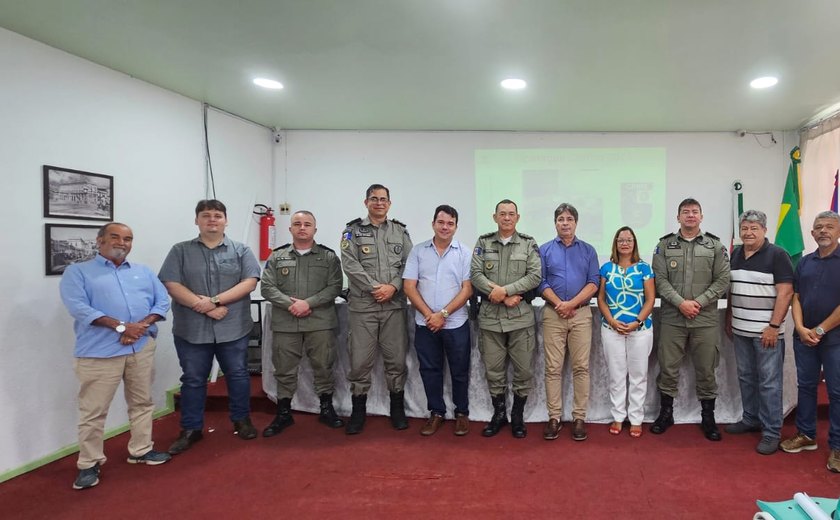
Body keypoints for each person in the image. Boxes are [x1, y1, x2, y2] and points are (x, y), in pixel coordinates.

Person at [59, 222, 171, 490]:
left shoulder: (143, 272)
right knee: (94, 411)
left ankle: (141, 450)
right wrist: (122, 327)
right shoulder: (78, 273)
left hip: (140, 348)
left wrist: (139, 327)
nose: (122, 242)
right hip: (99, 353)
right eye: (115, 237)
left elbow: (162, 301)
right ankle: (88, 463)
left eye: (128, 238)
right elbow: (79, 308)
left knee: (142, 403)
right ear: (99, 241)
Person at [159, 199, 262, 454]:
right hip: (191, 329)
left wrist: (214, 301)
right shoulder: (180, 251)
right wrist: (203, 306)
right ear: (197, 220)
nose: (212, 220)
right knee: (193, 379)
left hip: (233, 327)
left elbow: (249, 282)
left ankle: (241, 420)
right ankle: (191, 429)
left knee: (237, 375)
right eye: (206, 215)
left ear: (226, 220)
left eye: (217, 215)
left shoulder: (241, 251)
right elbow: (171, 284)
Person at [651, 198, 730, 441]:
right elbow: (660, 280)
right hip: (673, 318)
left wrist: (698, 302)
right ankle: (666, 413)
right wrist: (681, 303)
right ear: (678, 218)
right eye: (685, 212)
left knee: (706, 369)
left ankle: (708, 417)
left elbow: (723, 279)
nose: (690, 216)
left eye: (695, 212)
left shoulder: (715, 246)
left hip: (704, 319)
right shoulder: (664, 245)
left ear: (701, 217)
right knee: (668, 367)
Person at [260, 210, 344, 436]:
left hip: (319, 322)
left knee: (324, 366)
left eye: (307, 224)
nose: (302, 227)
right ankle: (284, 413)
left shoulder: (328, 257)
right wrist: (291, 304)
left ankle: (326, 408)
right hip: (286, 323)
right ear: (290, 229)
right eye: (297, 224)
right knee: (284, 370)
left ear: (315, 229)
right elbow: (267, 287)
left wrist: (308, 303)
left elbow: (335, 286)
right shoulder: (277, 257)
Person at [341, 184, 413, 434]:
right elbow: (349, 265)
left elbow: (409, 265)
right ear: (366, 202)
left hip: (393, 306)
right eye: (374, 199)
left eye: (383, 199)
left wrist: (392, 287)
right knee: (360, 362)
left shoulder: (400, 232)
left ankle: (397, 408)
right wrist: (375, 288)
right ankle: (358, 411)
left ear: (389, 204)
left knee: (396, 360)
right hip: (363, 308)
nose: (379, 203)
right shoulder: (352, 231)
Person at [471, 199, 542, 438]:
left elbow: (535, 276)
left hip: (520, 319)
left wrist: (507, 291)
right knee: (494, 371)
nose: (507, 218)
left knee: (524, 371)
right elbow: (475, 274)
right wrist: (502, 297)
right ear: (495, 217)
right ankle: (499, 414)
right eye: (502, 214)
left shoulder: (528, 243)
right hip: (490, 320)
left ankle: (518, 416)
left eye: (511, 214)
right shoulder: (483, 242)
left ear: (518, 218)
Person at [725, 210, 793, 455]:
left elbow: (785, 293)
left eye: (754, 228)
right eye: (745, 228)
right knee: (745, 376)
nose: (748, 232)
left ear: (765, 230)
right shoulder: (735, 253)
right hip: (741, 329)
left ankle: (772, 431)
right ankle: (750, 418)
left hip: (766, 331)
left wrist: (774, 326)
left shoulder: (777, 255)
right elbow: (734, 289)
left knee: (769, 382)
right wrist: (729, 316)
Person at [403, 205, 473, 436]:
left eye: (450, 223)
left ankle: (461, 413)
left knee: (459, 371)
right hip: (426, 324)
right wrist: (429, 315)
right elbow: (409, 287)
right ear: (433, 223)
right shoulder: (418, 251)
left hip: (456, 323)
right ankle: (436, 412)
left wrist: (442, 314)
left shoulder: (464, 252)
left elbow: (467, 290)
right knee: (430, 370)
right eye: (441, 222)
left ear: (455, 226)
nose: (445, 227)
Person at [779, 211, 840, 473]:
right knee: (805, 386)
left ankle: (837, 447)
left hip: (835, 338)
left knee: (837, 392)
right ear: (812, 233)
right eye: (818, 227)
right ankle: (806, 435)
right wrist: (802, 329)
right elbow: (796, 297)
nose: (823, 231)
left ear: (838, 231)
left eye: (829, 226)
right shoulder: (804, 262)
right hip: (804, 336)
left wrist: (820, 330)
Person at [538, 203, 600, 441]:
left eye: (569, 219)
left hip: (581, 315)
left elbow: (593, 282)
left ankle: (579, 418)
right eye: (560, 219)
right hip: (553, 315)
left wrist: (571, 304)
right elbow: (541, 282)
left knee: (581, 367)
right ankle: (554, 417)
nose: (565, 223)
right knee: (553, 368)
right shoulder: (544, 250)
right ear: (555, 223)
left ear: (576, 222)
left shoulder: (588, 250)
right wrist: (560, 304)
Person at [597, 226, 655, 439]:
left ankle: (637, 418)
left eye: (629, 239)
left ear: (634, 243)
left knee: (638, 375)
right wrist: (611, 321)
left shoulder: (644, 268)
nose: (625, 243)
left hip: (640, 330)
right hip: (611, 329)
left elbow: (650, 299)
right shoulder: (606, 268)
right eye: (621, 239)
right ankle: (618, 416)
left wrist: (637, 321)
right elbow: (601, 298)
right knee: (617, 374)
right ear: (615, 243)